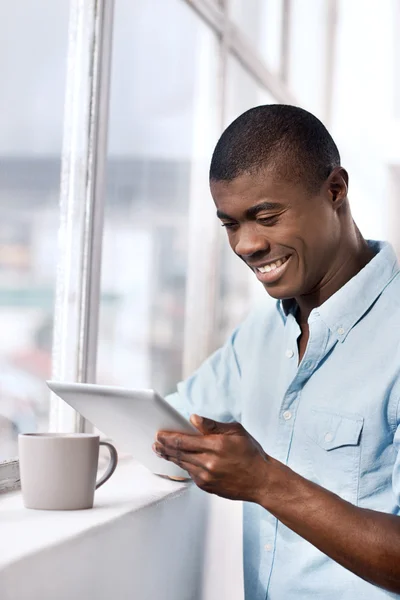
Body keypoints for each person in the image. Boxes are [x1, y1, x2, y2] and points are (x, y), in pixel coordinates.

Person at [153, 104, 400, 599]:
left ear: (335, 190)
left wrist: (265, 481)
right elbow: (168, 428)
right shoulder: (261, 337)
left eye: (266, 217)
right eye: (230, 224)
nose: (246, 245)